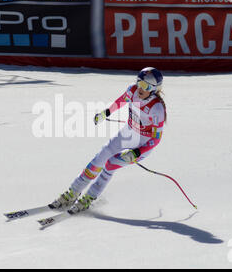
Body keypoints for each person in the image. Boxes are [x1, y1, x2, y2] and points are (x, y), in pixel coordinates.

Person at [50, 67, 167, 213]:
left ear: (155, 89)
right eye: (139, 82)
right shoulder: (132, 91)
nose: (140, 88)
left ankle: (89, 197)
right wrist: (106, 113)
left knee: (111, 164)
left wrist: (136, 153)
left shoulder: (157, 108)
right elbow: (121, 101)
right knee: (100, 158)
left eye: (145, 86)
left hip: (143, 144)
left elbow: (156, 139)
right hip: (127, 134)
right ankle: (72, 192)